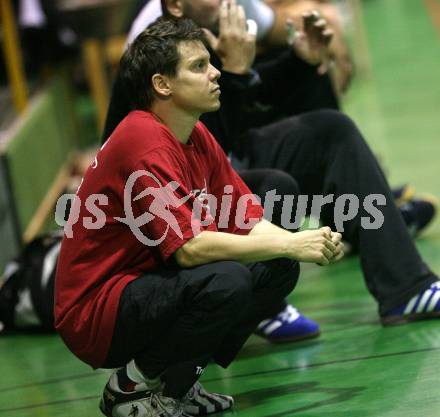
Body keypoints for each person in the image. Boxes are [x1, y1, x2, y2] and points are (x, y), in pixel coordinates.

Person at [54, 18, 344, 417]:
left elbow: (245, 218)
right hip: (95, 311)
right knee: (226, 279)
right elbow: (189, 251)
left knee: (277, 267)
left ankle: (178, 386)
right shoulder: (143, 141)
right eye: (198, 66)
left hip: (142, 285)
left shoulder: (193, 131)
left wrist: (303, 244)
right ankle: (128, 388)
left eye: (210, 63)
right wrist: (292, 241)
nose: (215, 73)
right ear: (162, 84)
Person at [102, 0, 440, 330]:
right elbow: (194, 142)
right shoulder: (154, 48)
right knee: (272, 186)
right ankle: (265, 300)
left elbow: (255, 81)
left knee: (329, 130)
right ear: (175, 6)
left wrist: (301, 57)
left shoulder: (229, 9)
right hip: (164, 199)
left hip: (220, 155)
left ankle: (399, 278)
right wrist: (235, 73)